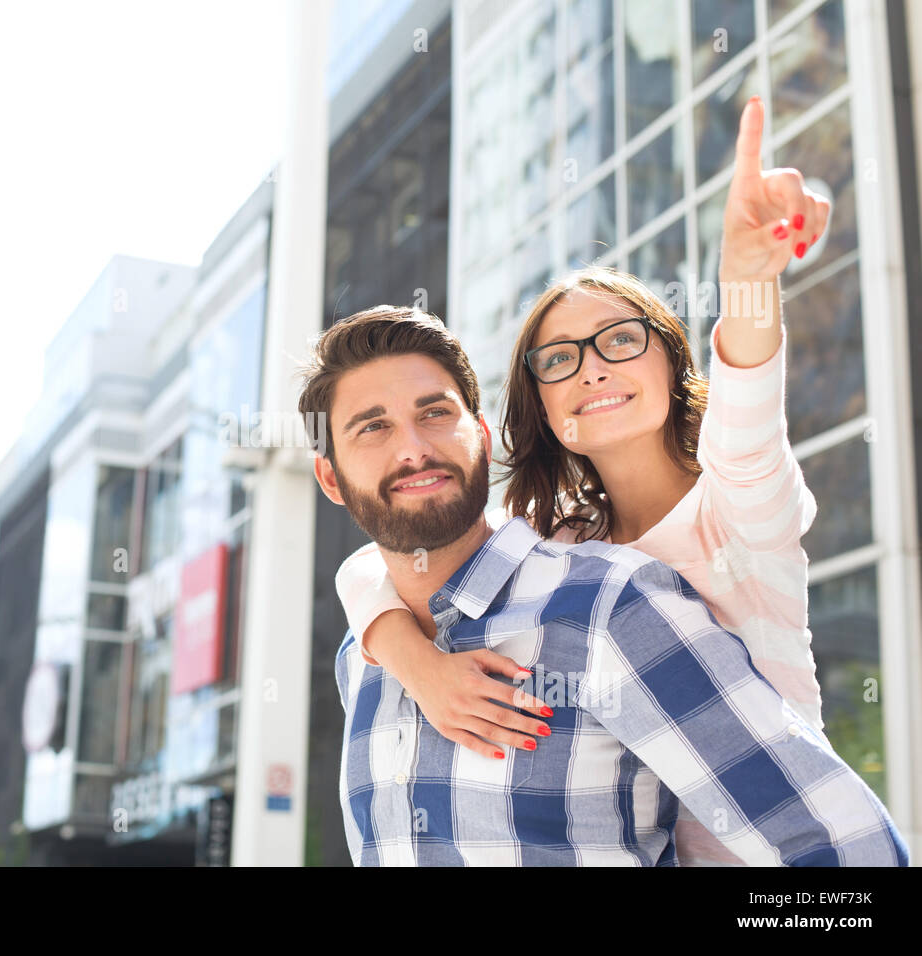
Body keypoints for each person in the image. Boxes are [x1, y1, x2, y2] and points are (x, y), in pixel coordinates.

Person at [333, 96, 833, 865]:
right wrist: (421, 667)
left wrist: (747, 275)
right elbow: (381, 557)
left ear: (671, 359)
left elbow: (751, 393)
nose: (592, 365)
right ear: (544, 407)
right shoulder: (565, 547)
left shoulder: (739, 501)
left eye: (620, 340)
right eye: (559, 358)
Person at [298, 304, 908, 866]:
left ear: (482, 436)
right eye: (371, 428)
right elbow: (365, 573)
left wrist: (751, 272)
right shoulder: (365, 656)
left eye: (435, 413)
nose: (413, 449)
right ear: (330, 477)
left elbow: (846, 847)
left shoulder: (609, 605)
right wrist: (402, 649)